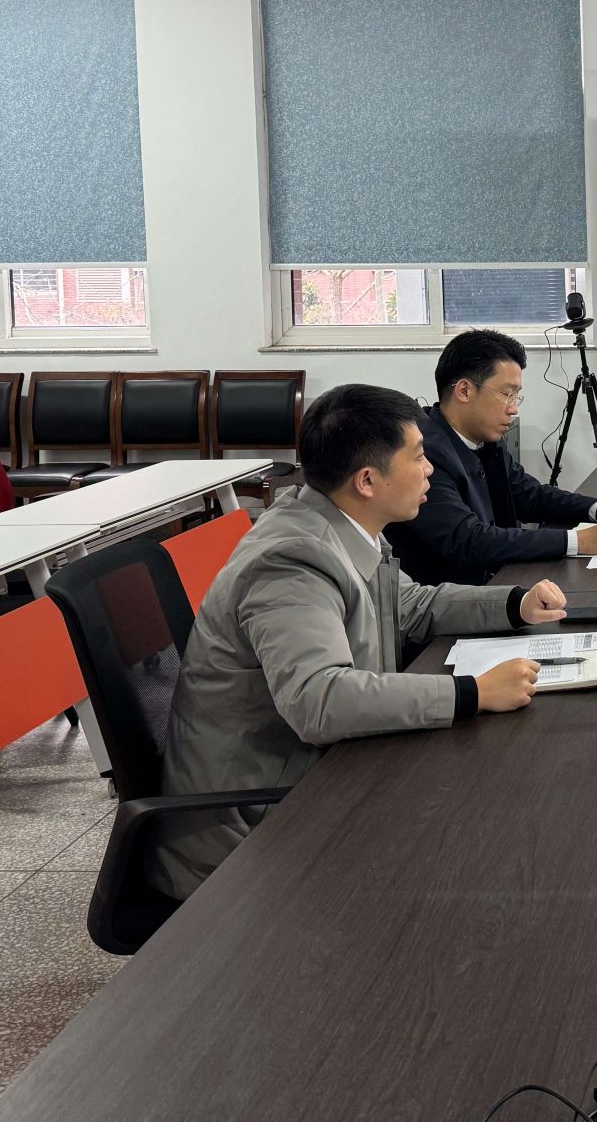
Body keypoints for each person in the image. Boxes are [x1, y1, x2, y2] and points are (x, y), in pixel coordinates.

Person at [150, 384, 568, 899]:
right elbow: (319, 700)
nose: (430, 469)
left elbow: (409, 604)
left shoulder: (341, 523)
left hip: (319, 774)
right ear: (367, 480)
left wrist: (514, 603)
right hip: (251, 829)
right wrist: (472, 693)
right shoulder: (291, 560)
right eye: (418, 456)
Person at [387, 329, 597, 586]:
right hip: (452, 604)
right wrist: (577, 541)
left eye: (516, 396)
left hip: (500, 581)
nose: (513, 409)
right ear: (464, 391)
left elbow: (529, 496)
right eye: (506, 394)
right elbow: (468, 540)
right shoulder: (425, 454)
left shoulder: (485, 439)